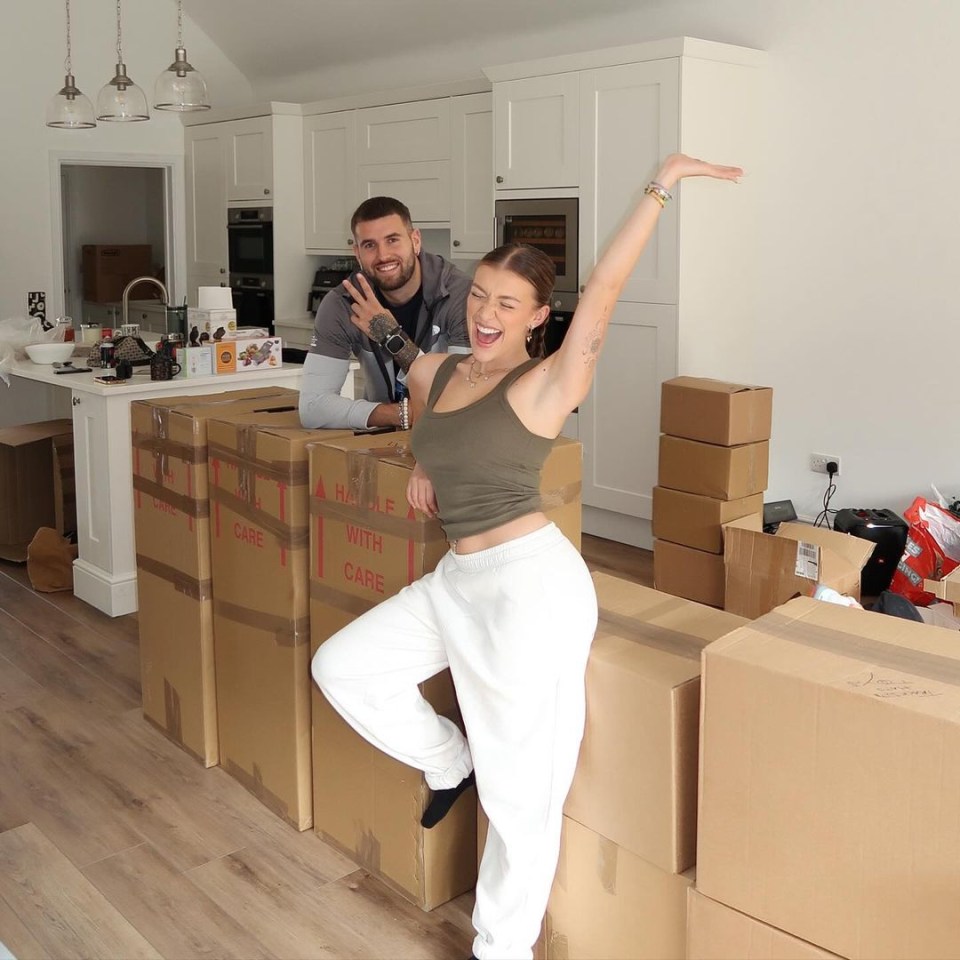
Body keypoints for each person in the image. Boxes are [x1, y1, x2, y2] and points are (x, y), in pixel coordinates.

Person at [311, 154, 742, 960]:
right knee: (342, 667)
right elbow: (409, 365)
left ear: (538, 318)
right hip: (456, 583)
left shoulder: (548, 382)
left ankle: (499, 949)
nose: (484, 312)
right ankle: (448, 759)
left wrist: (662, 183)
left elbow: (605, 292)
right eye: (478, 294)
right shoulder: (443, 373)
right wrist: (424, 463)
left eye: (507, 304)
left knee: (521, 801)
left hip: (526, 594)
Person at [298, 196, 472, 430]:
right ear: (357, 253)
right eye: (370, 245)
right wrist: (399, 415)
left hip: (450, 439)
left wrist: (390, 335)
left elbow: (462, 399)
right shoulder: (342, 304)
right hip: (379, 440)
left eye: (392, 240)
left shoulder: (462, 295)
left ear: (415, 240)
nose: (383, 256)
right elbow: (313, 408)